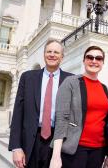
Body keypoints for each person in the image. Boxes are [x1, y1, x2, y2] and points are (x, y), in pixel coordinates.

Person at [9, 39, 73, 168]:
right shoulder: (27, 77)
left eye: (56, 52)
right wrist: (16, 147)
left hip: (58, 142)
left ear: (62, 56)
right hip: (31, 141)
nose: (52, 55)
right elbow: (18, 112)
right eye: (49, 51)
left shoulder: (71, 80)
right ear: (44, 54)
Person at [50, 46, 108, 168]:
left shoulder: (105, 88)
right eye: (90, 57)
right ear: (84, 60)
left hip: (98, 151)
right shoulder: (71, 82)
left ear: (102, 63)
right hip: (75, 149)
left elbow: (107, 122)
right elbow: (61, 118)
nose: (94, 61)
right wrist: (56, 155)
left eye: (98, 58)